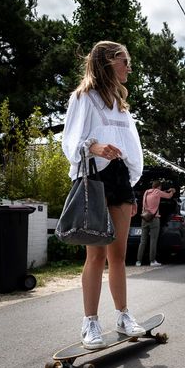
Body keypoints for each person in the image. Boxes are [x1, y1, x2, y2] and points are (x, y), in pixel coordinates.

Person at [62, 40, 146, 349]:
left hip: (120, 177)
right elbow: (71, 138)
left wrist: (131, 188)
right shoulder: (84, 97)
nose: (129, 67)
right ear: (107, 62)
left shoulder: (122, 107)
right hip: (94, 177)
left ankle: (123, 316)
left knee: (119, 255)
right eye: (124, 61)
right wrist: (95, 147)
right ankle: (90, 322)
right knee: (95, 254)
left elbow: (132, 146)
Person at [136, 180, 174, 267]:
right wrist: (172, 191)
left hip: (145, 218)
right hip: (154, 219)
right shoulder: (158, 192)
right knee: (153, 240)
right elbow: (169, 196)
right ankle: (152, 261)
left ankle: (138, 261)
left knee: (142, 241)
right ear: (159, 186)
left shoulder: (146, 192)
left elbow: (162, 193)